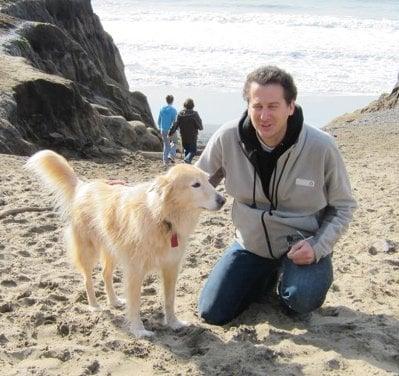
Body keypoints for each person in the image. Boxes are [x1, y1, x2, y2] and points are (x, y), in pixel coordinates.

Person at [196, 65, 357, 325]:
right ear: (248, 105)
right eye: (257, 106)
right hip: (251, 245)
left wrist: (317, 247)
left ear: (290, 106)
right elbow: (193, 181)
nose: (264, 116)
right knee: (212, 312)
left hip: (302, 247)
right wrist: (135, 190)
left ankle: (295, 276)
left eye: (273, 106)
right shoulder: (227, 137)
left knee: (299, 301)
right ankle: (265, 276)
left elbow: (344, 206)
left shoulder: (321, 146)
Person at [169, 98, 203, 164]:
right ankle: (187, 160)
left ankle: (187, 163)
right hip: (192, 136)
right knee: (193, 151)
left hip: (183, 135)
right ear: (193, 105)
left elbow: (175, 125)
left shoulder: (180, 114)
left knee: (187, 150)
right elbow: (200, 127)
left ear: (184, 105)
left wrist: (170, 133)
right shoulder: (195, 114)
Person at [158, 95, 177, 165]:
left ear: (166, 100)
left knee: (166, 145)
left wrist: (160, 128)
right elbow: (174, 122)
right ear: (172, 100)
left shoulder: (162, 109)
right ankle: (171, 155)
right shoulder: (173, 110)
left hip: (163, 130)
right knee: (174, 143)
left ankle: (165, 162)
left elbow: (159, 121)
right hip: (170, 130)